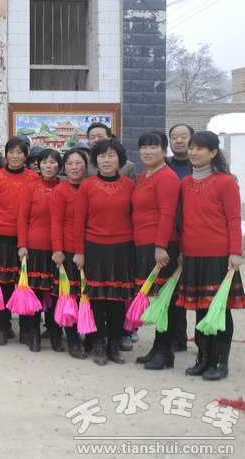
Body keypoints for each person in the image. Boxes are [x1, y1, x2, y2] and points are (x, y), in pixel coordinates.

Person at [177, 131, 243, 381]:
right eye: (191, 148)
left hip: (218, 255)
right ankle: (203, 358)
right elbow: (184, 220)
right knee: (199, 309)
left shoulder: (226, 182)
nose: (193, 153)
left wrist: (235, 252)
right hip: (192, 254)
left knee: (219, 309)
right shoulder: (185, 183)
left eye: (199, 149)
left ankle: (220, 362)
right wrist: (182, 251)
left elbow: (234, 219)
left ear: (213, 152)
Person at [73, 137, 136, 365]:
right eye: (101, 156)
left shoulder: (130, 186)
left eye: (111, 155)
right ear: (95, 160)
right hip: (95, 248)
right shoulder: (87, 186)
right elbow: (79, 221)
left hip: (123, 249)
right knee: (97, 299)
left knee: (118, 299)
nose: (106, 160)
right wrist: (79, 252)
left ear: (120, 159)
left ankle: (114, 345)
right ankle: (98, 343)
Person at [131, 131, 181, 370]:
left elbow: (167, 214)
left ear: (164, 150)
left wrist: (160, 246)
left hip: (160, 246)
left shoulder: (167, 177)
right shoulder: (145, 175)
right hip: (144, 244)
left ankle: (165, 351)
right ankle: (158, 347)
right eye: (144, 147)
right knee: (157, 298)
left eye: (153, 147)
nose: (147, 152)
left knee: (165, 300)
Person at [0, 136, 38, 346]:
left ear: (25, 155)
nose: (15, 156)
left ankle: (25, 330)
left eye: (19, 152)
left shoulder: (33, 178)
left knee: (24, 286)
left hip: (26, 240)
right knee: (3, 287)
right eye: (11, 152)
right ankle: (3, 329)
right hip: (0, 239)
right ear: (6, 154)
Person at [16, 148, 62, 352]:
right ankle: (33, 333)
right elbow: (22, 218)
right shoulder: (31, 187)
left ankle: (55, 334)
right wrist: (22, 245)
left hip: (58, 250)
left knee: (57, 293)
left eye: (52, 162)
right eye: (44, 162)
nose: (48, 166)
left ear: (59, 166)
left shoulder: (64, 186)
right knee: (33, 293)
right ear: (38, 166)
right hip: (34, 247)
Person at [49, 148, 89, 360]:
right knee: (68, 295)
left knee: (87, 296)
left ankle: (89, 334)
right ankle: (71, 338)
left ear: (86, 166)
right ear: (64, 167)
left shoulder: (91, 187)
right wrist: (57, 250)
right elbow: (56, 222)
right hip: (67, 249)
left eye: (78, 163)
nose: (74, 167)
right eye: (70, 163)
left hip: (90, 248)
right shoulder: (60, 191)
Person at [166, 123, 193, 351]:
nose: (179, 140)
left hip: (195, 236)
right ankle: (177, 337)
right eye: (174, 136)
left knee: (199, 290)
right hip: (171, 237)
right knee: (173, 289)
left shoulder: (201, 167)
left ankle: (207, 343)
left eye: (183, 136)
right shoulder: (164, 166)